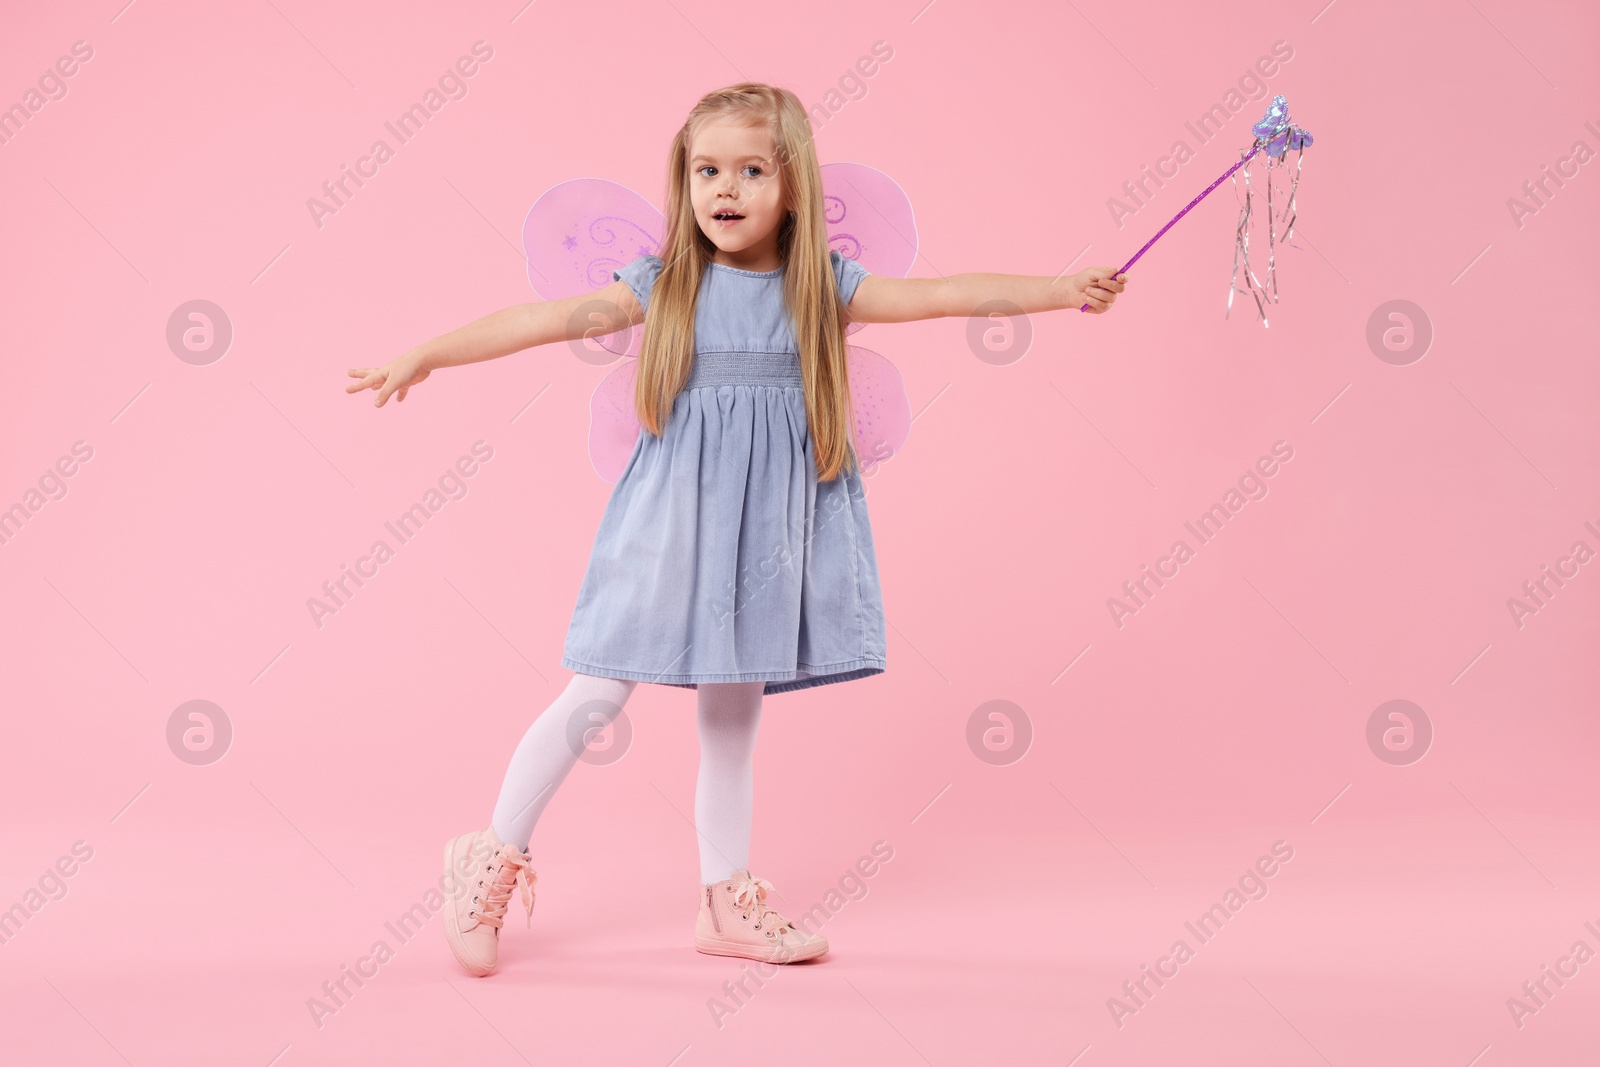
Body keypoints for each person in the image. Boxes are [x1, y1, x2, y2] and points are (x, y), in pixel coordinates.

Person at [345, 81, 1129, 978]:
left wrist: (1061, 289)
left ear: (792, 185)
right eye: (707, 169)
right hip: (668, 530)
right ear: (684, 183)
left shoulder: (824, 290)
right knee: (596, 696)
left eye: (752, 169)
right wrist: (426, 354)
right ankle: (487, 851)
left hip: (765, 543)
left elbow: (948, 293)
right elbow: (538, 322)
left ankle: (724, 900)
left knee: (731, 722)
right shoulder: (666, 286)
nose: (726, 187)